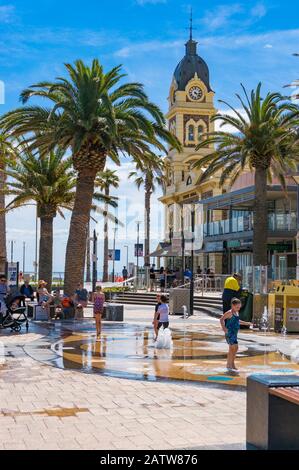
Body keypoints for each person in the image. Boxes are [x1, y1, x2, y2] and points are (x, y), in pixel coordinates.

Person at [220, 298, 252, 372]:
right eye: (237, 307)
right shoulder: (230, 312)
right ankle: (231, 364)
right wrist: (224, 328)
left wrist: (246, 323)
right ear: (232, 306)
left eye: (239, 307)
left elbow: (237, 321)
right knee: (234, 347)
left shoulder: (236, 313)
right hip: (230, 333)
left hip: (234, 334)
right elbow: (221, 319)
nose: (238, 308)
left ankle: (229, 364)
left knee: (232, 349)